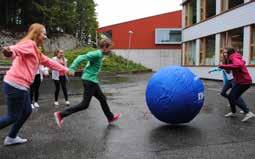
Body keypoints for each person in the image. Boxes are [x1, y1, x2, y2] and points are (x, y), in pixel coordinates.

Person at [0, 23, 69, 146]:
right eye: (43, 33)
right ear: (36, 33)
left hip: (20, 86)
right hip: (16, 84)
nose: (45, 36)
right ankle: (11, 137)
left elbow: (49, 62)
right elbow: (16, 49)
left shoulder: (36, 52)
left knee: (26, 111)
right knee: (13, 116)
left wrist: (65, 70)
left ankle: (11, 137)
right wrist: (9, 51)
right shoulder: (29, 44)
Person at [54, 39, 121, 128]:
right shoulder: (97, 54)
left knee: (102, 98)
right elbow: (80, 57)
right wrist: (72, 68)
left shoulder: (100, 55)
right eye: (110, 48)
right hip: (89, 81)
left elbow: (89, 64)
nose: (111, 50)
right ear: (105, 47)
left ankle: (110, 117)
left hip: (92, 80)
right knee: (84, 104)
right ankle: (60, 114)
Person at [219, 48, 255, 122]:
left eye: (226, 53)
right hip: (241, 81)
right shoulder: (235, 57)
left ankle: (248, 112)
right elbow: (241, 63)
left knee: (232, 96)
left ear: (229, 53)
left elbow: (238, 64)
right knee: (232, 96)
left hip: (244, 82)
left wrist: (223, 66)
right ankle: (234, 112)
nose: (225, 54)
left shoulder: (233, 57)